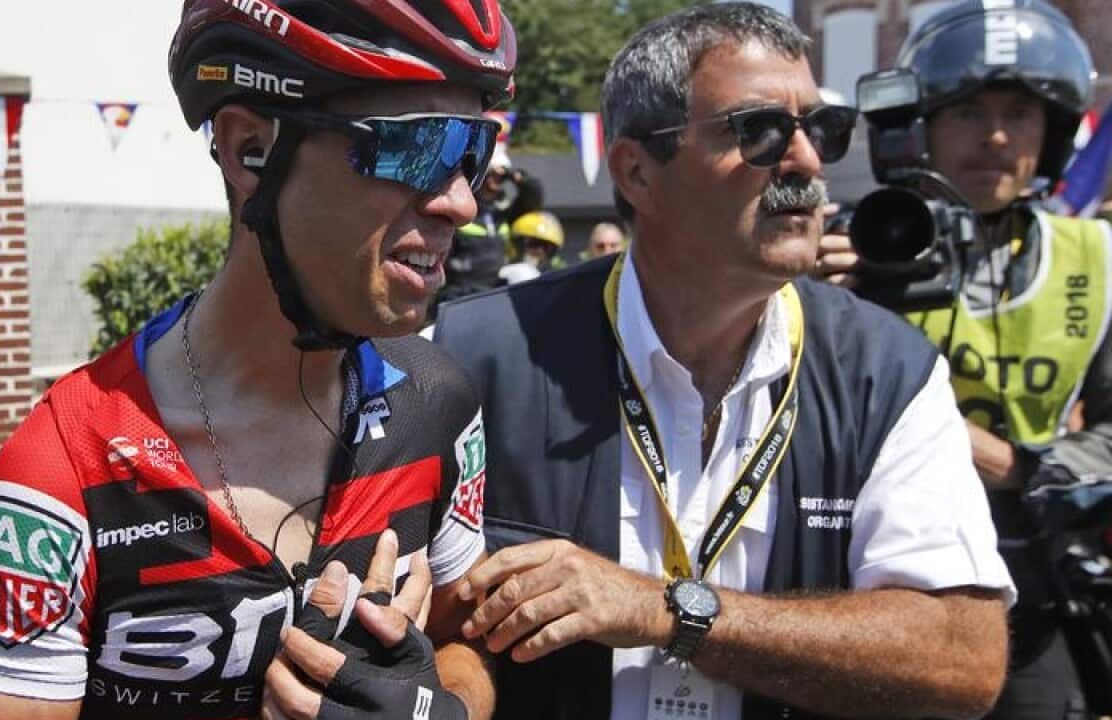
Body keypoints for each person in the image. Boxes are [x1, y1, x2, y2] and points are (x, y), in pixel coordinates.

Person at [0, 1, 516, 718]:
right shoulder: (64, 469)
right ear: (252, 148)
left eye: (473, 150)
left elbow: (472, 641)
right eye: (419, 146)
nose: (460, 201)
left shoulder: (440, 403)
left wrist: (446, 703)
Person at [434, 4, 1013, 719]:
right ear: (637, 172)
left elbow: (965, 655)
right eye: (760, 131)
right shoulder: (470, 355)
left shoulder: (890, 373)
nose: (805, 160)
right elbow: (423, 628)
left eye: (823, 131)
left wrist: (675, 612)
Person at [814, 1, 1112, 717]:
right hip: (863, 581)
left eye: (1020, 113)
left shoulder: (1096, 260)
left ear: (1055, 131)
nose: (998, 137)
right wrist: (802, 297)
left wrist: (1022, 466)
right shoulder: (860, 246)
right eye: (969, 113)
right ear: (923, 127)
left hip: (1032, 577)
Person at [438, 143, 544, 306]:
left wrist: (514, 176)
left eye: (501, 177)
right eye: (492, 173)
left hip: (495, 292)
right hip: (459, 294)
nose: (497, 179)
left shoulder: (503, 213)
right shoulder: (461, 209)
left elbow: (534, 197)